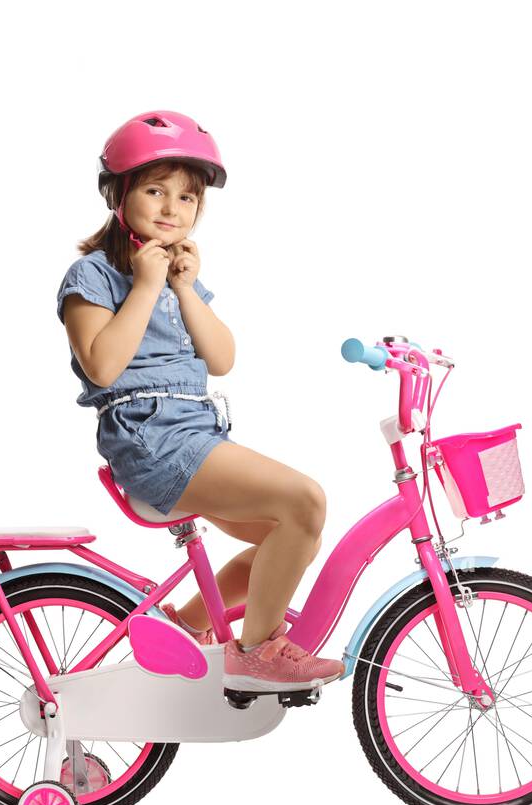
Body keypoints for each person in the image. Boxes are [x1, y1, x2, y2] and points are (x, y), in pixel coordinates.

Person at [56, 110, 342, 692]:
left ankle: (185, 627)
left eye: (186, 198)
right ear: (119, 194)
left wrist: (182, 287)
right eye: (155, 190)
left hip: (196, 435)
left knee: (291, 536)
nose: (170, 208)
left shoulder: (180, 277)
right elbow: (103, 364)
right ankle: (258, 651)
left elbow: (221, 358)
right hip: (151, 441)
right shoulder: (93, 276)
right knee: (306, 500)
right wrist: (144, 285)